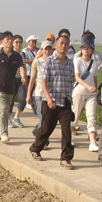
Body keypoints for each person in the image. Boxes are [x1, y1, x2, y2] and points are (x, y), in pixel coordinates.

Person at [29, 32, 75, 169]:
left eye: (66, 44)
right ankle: (35, 148)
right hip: (50, 101)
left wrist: (71, 98)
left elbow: (71, 82)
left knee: (66, 130)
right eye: (61, 43)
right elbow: (44, 82)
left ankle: (66, 158)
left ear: (68, 47)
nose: (63, 46)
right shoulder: (48, 62)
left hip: (65, 100)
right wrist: (48, 98)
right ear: (56, 45)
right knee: (46, 128)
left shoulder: (70, 64)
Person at [71, 31, 101, 152]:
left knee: (91, 116)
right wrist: (89, 86)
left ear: (92, 50)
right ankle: (69, 137)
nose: (86, 50)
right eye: (84, 47)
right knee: (75, 115)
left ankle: (92, 141)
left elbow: (94, 77)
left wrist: (95, 88)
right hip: (79, 91)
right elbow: (77, 77)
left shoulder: (94, 63)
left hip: (91, 94)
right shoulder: (77, 61)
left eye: (89, 48)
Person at [26, 40, 54, 136]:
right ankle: (44, 140)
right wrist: (28, 95)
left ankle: (37, 130)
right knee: (43, 118)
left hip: (50, 95)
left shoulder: (55, 62)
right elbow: (32, 80)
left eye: (49, 49)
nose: (47, 51)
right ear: (42, 50)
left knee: (48, 118)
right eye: (45, 49)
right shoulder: (37, 62)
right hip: (38, 94)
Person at [8, 35, 26, 128]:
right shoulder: (10, 54)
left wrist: (25, 77)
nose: (18, 44)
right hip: (12, 79)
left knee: (23, 99)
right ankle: (8, 119)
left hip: (21, 79)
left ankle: (16, 117)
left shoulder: (23, 54)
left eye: (20, 42)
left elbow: (24, 66)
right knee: (11, 100)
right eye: (16, 42)